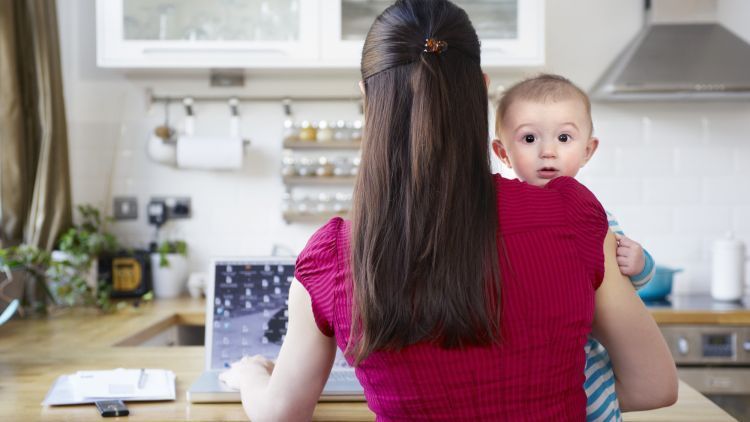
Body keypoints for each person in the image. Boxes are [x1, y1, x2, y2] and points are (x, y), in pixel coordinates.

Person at [219, 1, 677, 420]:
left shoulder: (331, 255)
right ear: (481, 88)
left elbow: (280, 414)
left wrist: (250, 376)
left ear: (367, 96)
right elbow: (654, 386)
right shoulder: (573, 215)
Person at [491, 73, 656, 421]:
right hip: (523, 366)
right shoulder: (497, 218)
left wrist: (639, 264)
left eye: (564, 137)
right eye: (529, 138)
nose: (547, 151)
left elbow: (628, 286)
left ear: (588, 150)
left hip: (585, 364)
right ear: (503, 152)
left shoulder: (595, 217)